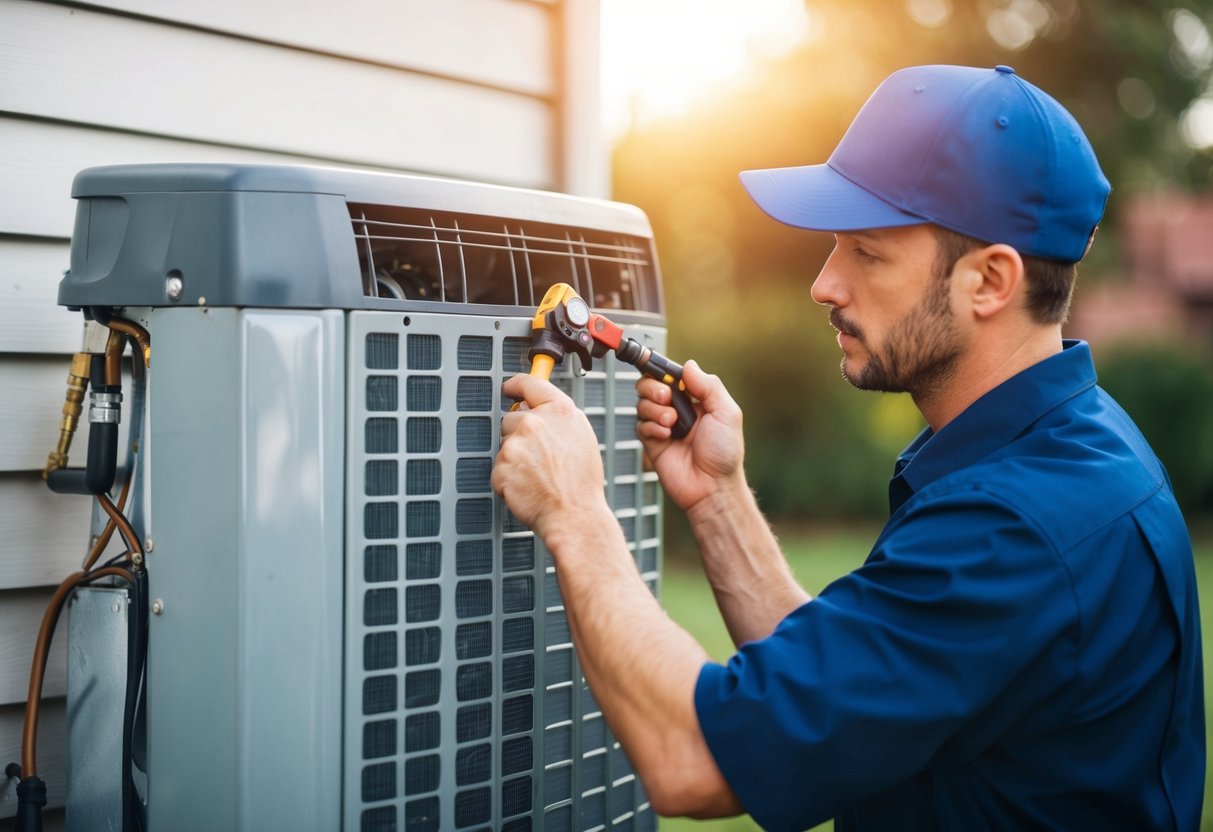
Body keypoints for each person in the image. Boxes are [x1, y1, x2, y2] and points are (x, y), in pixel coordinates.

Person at [492, 64, 1204, 831]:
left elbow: (695, 760)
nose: (823, 284)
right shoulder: (1071, 447)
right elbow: (845, 697)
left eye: (865, 251)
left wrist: (574, 510)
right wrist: (718, 500)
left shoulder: (1015, 527)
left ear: (989, 281)